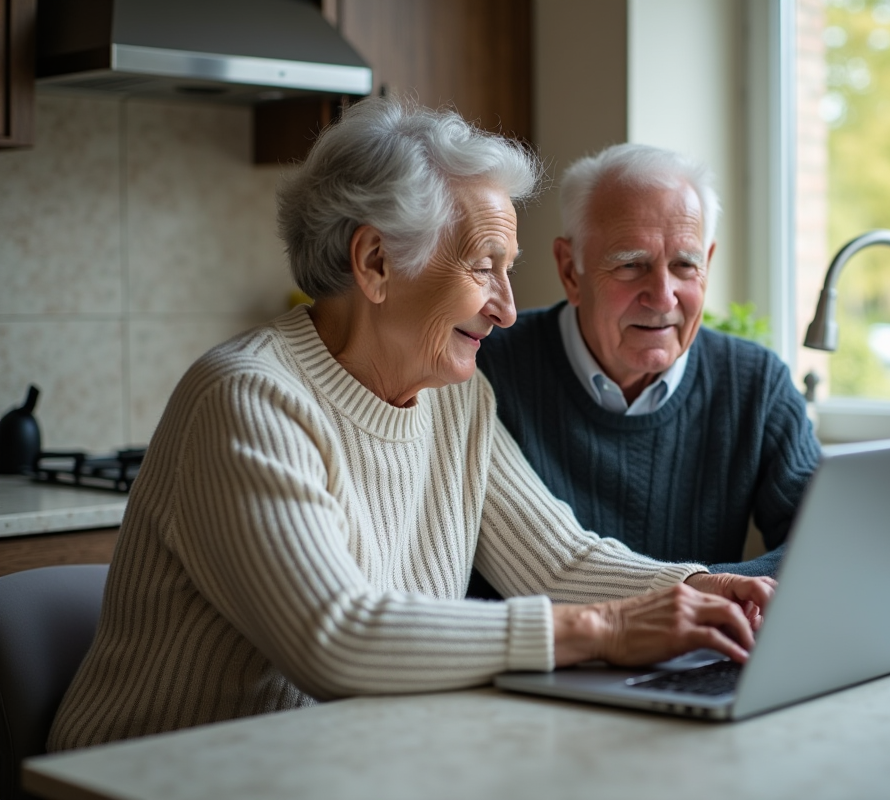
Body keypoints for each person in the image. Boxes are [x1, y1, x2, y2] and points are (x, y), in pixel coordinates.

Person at [48, 101, 774, 752]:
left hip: (329, 765)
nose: (507, 307)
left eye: (509, 269)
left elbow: (558, 564)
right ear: (375, 263)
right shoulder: (250, 400)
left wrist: (706, 589)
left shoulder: (454, 400)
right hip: (153, 778)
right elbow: (338, 637)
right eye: (485, 266)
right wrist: (608, 633)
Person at [474, 143, 821, 593]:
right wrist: (697, 594)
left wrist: (704, 596)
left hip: (703, 654)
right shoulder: (485, 371)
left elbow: (821, 543)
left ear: (708, 264)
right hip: (540, 656)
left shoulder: (755, 384)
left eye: (685, 265)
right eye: (632, 264)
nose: (663, 296)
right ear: (571, 271)